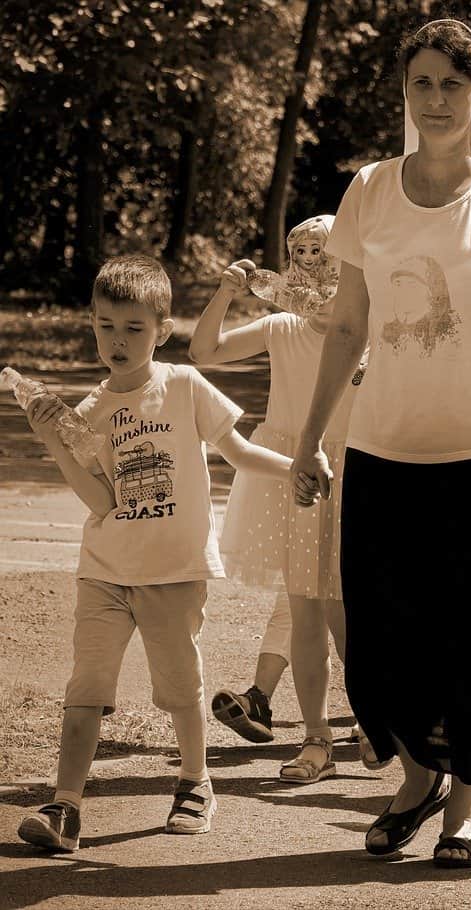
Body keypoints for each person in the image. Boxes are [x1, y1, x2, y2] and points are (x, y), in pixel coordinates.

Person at [291, 19, 471, 869]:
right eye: (422, 83)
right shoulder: (369, 189)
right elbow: (346, 325)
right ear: (405, 94)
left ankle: (463, 810)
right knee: (385, 638)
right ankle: (414, 778)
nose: (438, 99)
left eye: (455, 82)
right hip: (384, 452)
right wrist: (310, 440)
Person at [16, 254, 295, 852]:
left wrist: (296, 468)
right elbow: (100, 500)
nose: (117, 341)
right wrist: (55, 441)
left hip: (173, 572)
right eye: (105, 325)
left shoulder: (184, 385)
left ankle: (195, 781)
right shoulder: (91, 412)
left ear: (162, 331)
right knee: (86, 687)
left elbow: (240, 453)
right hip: (105, 573)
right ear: (91, 324)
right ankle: (65, 806)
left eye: (133, 328)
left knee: (179, 686)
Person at [190, 215, 367, 782]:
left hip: (357, 470)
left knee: (351, 616)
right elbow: (205, 350)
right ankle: (317, 738)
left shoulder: (372, 329)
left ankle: (374, 719)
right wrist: (225, 292)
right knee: (306, 608)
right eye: (304, 257)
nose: (316, 273)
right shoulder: (281, 327)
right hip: (294, 471)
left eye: (327, 259)